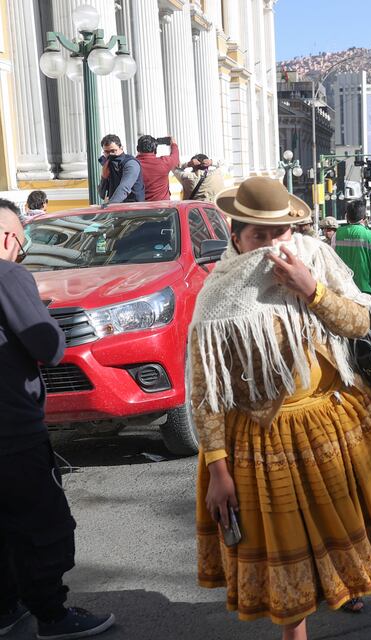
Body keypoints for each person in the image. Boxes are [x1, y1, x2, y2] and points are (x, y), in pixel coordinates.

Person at [193, 177, 371, 640]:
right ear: (236, 237)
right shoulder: (218, 295)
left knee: (343, 524)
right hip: (264, 437)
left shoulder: (315, 258)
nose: (275, 245)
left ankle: (343, 584)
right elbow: (207, 391)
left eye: (281, 233)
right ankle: (295, 629)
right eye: (260, 236)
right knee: (289, 544)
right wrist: (218, 470)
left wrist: (311, 289)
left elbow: (358, 323)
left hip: (333, 420)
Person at [0, 200, 116, 639]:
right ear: (12, 238)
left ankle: (6, 610)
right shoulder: (8, 274)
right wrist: (47, 317)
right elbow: (47, 346)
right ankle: (51, 614)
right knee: (40, 525)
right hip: (12, 427)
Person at [333, 200, 371, 334]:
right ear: (364, 218)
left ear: (347, 216)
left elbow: (333, 258)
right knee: (369, 331)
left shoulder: (337, 234)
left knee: (348, 328)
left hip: (345, 289)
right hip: (368, 289)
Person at [97, 134, 144, 203]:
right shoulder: (108, 164)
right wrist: (104, 177)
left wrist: (110, 206)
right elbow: (102, 194)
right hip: (117, 207)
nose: (110, 154)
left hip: (132, 207)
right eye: (107, 152)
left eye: (113, 151)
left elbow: (124, 188)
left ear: (121, 148)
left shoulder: (130, 163)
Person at [135, 134, 179, 201]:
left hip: (141, 207)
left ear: (137, 148)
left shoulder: (132, 165)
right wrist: (174, 144)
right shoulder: (164, 163)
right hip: (163, 207)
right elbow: (175, 157)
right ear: (155, 149)